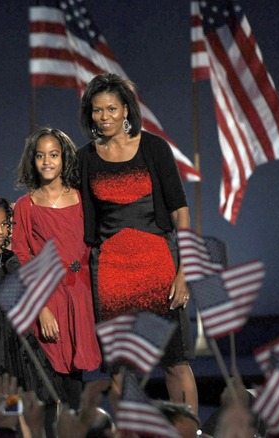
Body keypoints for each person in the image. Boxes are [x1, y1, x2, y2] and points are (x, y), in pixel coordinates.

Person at [76, 73, 199, 414]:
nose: (105, 117)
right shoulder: (85, 158)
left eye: (112, 109)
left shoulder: (154, 148)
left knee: (175, 361)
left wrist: (184, 273)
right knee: (120, 368)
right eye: (98, 111)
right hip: (112, 272)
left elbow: (181, 214)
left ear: (127, 109)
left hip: (159, 267)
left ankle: (188, 432)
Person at [11, 128, 103, 420]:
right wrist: (41, 310)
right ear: (32, 160)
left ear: (64, 159)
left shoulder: (82, 200)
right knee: (49, 391)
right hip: (47, 302)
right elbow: (21, 257)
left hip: (80, 299)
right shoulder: (26, 206)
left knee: (75, 389)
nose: (47, 161)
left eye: (54, 155)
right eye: (40, 156)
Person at [0, 196, 48, 402]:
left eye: (4, 224)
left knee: (17, 388)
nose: (0, 231)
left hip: (14, 336)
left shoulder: (10, 258)